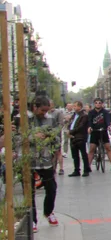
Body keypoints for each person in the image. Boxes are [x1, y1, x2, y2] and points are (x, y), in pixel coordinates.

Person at [27, 97, 61, 229]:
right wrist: (32, 137)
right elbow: (17, 137)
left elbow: (57, 138)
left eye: (47, 111)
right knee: (29, 191)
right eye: (42, 110)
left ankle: (48, 212)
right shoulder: (25, 119)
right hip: (29, 159)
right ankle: (32, 219)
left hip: (46, 159)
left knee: (51, 187)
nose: (44, 113)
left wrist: (51, 137)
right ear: (35, 107)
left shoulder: (50, 119)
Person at [86, 98, 111, 172]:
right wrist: (90, 127)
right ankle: (88, 166)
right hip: (94, 131)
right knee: (92, 148)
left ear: (102, 104)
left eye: (99, 103)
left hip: (103, 131)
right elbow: (89, 121)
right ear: (94, 104)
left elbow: (107, 120)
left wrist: (108, 126)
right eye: (96, 103)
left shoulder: (105, 112)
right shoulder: (91, 112)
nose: (98, 104)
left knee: (108, 147)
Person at [67, 100, 90, 177]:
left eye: (75, 106)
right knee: (75, 155)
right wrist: (68, 130)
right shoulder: (74, 115)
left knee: (83, 154)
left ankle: (86, 170)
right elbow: (70, 124)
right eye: (73, 106)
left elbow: (81, 126)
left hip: (80, 137)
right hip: (73, 137)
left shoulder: (84, 115)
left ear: (80, 107)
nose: (74, 107)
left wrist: (71, 132)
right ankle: (76, 170)